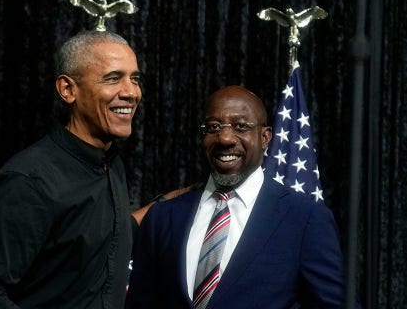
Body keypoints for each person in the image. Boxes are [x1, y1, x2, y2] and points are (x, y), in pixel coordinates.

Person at [0, 30, 142, 308]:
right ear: (68, 90)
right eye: (113, 78)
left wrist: (185, 198)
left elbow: (103, 232)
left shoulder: (110, 162)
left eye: (135, 78)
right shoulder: (30, 180)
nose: (131, 92)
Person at [126, 85, 346, 308]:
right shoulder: (162, 218)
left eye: (241, 126)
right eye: (213, 127)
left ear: (265, 137)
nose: (225, 138)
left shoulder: (305, 218)